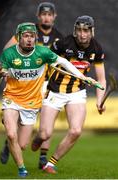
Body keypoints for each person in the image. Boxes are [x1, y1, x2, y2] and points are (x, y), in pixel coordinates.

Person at [0, 22, 96, 177]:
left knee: (21, 145)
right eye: (26, 36)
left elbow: (63, 62)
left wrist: (82, 76)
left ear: (36, 38)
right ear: (19, 37)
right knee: (11, 134)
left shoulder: (42, 53)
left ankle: (11, 141)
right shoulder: (8, 54)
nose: (29, 39)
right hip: (11, 97)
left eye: (32, 36)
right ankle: (22, 169)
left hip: (31, 102)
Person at [31, 15, 106, 174]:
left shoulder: (96, 49)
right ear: (74, 31)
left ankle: (50, 164)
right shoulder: (63, 44)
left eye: (86, 30)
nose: (82, 34)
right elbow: (43, 61)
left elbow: (102, 80)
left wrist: (100, 101)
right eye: (79, 30)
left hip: (77, 93)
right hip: (55, 91)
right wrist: (42, 83)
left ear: (92, 31)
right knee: (45, 134)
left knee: (76, 131)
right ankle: (39, 138)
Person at [0, 2, 63, 169]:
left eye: (50, 14)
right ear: (38, 16)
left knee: (48, 118)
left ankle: (43, 156)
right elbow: (8, 50)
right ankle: (10, 140)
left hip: (47, 82)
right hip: (26, 81)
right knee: (22, 117)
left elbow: (61, 63)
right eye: (44, 14)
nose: (46, 17)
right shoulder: (28, 31)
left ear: (54, 16)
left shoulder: (59, 37)